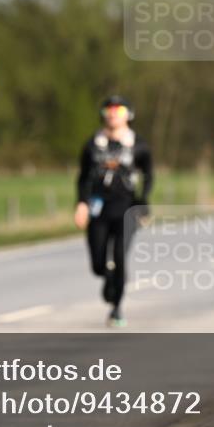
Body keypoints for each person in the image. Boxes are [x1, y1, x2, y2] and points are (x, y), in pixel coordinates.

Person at [74, 96, 153, 327]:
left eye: (118, 110)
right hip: (98, 209)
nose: (112, 114)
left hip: (126, 209)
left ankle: (117, 309)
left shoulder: (138, 145)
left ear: (128, 114)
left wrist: (143, 201)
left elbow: (149, 175)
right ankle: (108, 277)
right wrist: (81, 203)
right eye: (108, 109)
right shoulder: (93, 144)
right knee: (98, 263)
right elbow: (83, 177)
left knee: (119, 258)